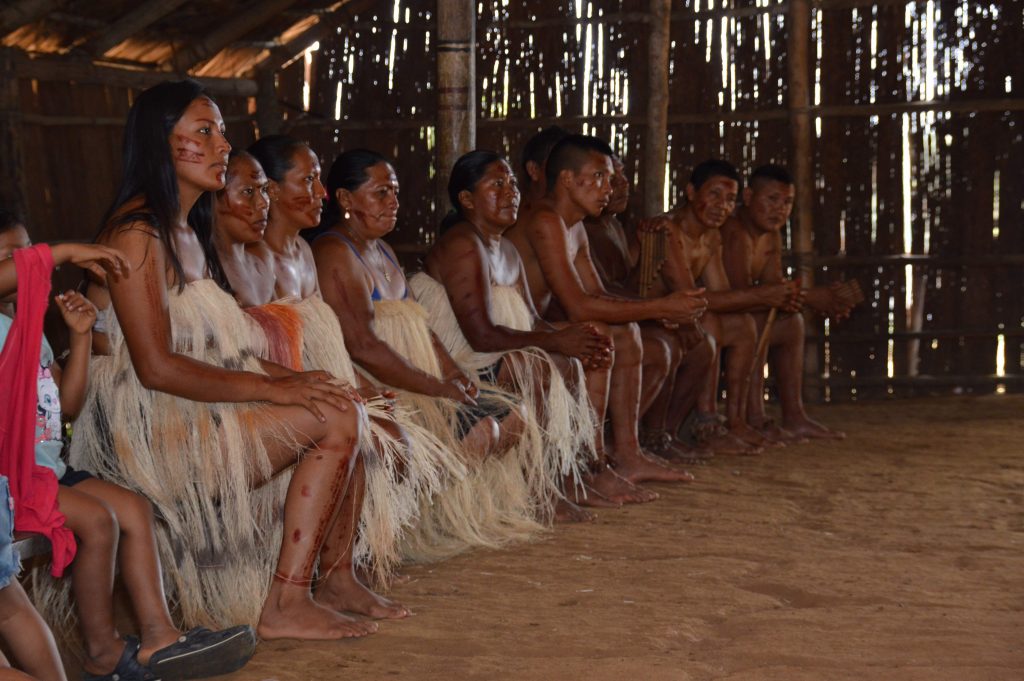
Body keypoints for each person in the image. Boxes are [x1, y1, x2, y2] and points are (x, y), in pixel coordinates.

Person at [71, 80, 378, 642]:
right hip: (155, 436)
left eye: (222, 132)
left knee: (339, 400)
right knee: (336, 418)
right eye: (204, 132)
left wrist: (297, 379)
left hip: (196, 416)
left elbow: (229, 351)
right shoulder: (137, 234)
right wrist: (276, 391)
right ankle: (287, 602)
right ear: (161, 142)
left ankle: (332, 579)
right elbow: (156, 368)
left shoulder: (189, 231)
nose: (223, 146)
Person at [2, 218, 256, 680]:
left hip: (47, 470)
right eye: (9, 257)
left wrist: (81, 337)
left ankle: (159, 637)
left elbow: (66, 408)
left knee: (134, 509)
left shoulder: (27, 329)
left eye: (27, 250)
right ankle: (103, 651)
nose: (23, 263)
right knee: (98, 521)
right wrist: (64, 250)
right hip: (14, 481)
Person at [222, 146, 453, 598]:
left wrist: (364, 388)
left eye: (318, 180)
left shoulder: (304, 253)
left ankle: (351, 560)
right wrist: (321, 389)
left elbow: (330, 348)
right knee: (366, 433)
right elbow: (259, 351)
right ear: (272, 190)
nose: (320, 193)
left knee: (393, 434)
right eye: (307, 181)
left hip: (318, 383)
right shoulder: (254, 260)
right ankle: (327, 570)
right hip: (278, 391)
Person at [312, 149, 550, 560]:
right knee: (481, 431)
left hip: (418, 381)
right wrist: (434, 387)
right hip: (382, 387)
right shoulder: (336, 253)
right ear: (346, 199)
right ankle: (405, 516)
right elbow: (363, 346)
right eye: (381, 193)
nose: (393, 202)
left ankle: (430, 512)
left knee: (512, 419)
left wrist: (454, 375)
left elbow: (421, 325)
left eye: (395, 192)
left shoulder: (383, 251)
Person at [411, 150, 644, 514]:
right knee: (535, 366)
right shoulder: (462, 243)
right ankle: (539, 489)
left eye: (513, 183)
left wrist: (578, 340)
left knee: (580, 354)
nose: (511, 192)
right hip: (459, 365)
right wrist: (557, 340)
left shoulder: (506, 249)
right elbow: (481, 336)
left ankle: (576, 470)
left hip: (494, 355)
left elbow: (533, 321)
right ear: (467, 199)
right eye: (497, 185)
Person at [505, 134, 707, 484]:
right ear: (567, 179)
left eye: (610, 179)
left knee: (626, 332)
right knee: (597, 334)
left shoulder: (575, 227)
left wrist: (658, 311)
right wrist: (660, 306)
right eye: (598, 177)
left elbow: (597, 293)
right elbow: (578, 306)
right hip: (513, 332)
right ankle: (589, 464)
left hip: (537, 327)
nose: (608, 189)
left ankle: (627, 454)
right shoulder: (544, 220)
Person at [642, 160, 802, 452]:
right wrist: (762, 295)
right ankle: (703, 423)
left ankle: (735, 421)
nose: (722, 206)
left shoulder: (711, 236)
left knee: (742, 325)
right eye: (714, 194)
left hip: (676, 316)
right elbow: (690, 300)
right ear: (691, 192)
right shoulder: (668, 230)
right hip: (649, 318)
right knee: (710, 322)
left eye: (729, 199)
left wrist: (767, 295)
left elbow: (721, 294)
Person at [583, 156, 715, 461]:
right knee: (663, 346)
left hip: (623, 316)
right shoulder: (583, 229)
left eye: (623, 176)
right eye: (611, 178)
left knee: (696, 345)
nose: (622, 185)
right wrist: (658, 309)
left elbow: (627, 282)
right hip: (598, 322)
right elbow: (598, 293)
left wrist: (646, 249)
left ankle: (659, 435)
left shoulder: (614, 225)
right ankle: (613, 444)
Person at [721, 164, 852, 440]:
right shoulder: (734, 232)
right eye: (772, 199)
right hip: (716, 318)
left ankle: (795, 417)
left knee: (792, 323)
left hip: (742, 315)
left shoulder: (771, 235)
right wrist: (812, 297)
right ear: (748, 197)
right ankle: (754, 417)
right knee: (755, 322)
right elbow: (742, 297)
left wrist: (805, 300)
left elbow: (773, 288)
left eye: (787, 202)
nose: (780, 209)